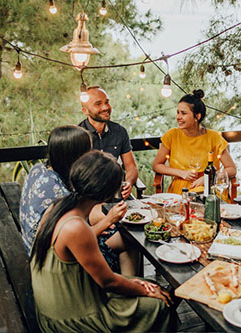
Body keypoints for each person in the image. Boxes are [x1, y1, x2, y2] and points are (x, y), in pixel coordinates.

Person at [30, 150, 172, 332]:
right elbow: (108, 282)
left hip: (60, 301)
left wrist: (137, 284)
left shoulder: (57, 207)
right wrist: (145, 290)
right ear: (107, 194)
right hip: (71, 319)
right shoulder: (76, 227)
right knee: (160, 304)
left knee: (143, 283)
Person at [19, 125, 129, 274]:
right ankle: (124, 290)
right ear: (75, 156)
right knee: (127, 242)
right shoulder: (59, 196)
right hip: (51, 264)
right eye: (88, 152)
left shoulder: (38, 169)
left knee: (117, 234)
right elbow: (65, 241)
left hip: (33, 247)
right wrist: (107, 221)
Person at [152, 89, 236, 194]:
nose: (178, 117)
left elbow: (231, 169)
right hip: (181, 190)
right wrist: (180, 173)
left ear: (197, 116)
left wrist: (208, 179)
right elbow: (156, 165)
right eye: (178, 112)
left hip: (208, 188)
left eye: (183, 113)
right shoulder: (172, 135)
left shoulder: (213, 137)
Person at [79, 86, 138, 200]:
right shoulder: (79, 136)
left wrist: (129, 183)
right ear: (85, 111)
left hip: (117, 195)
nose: (105, 107)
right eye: (98, 104)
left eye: (107, 102)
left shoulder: (119, 131)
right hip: (89, 199)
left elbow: (131, 167)